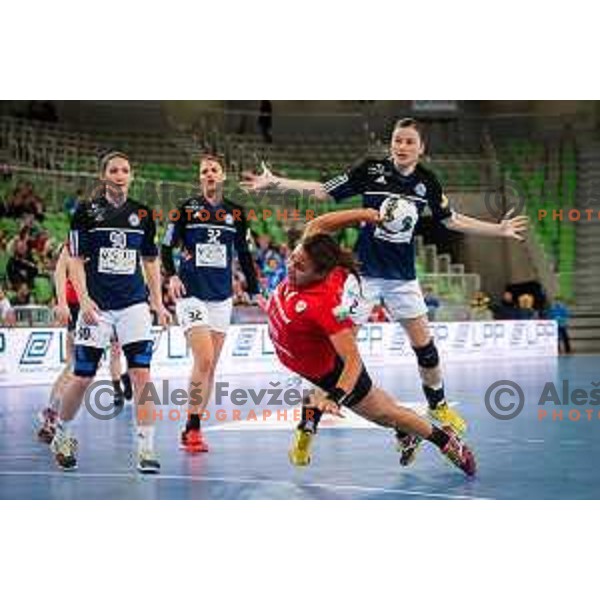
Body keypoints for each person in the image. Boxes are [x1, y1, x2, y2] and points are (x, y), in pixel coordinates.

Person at [243, 117, 528, 457]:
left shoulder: (427, 183)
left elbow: (451, 219)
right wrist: (275, 182)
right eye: (397, 140)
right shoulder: (371, 170)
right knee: (330, 350)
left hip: (403, 277)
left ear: (421, 148)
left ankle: (437, 406)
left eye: (409, 142)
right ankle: (309, 421)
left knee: (425, 347)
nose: (402, 147)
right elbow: (323, 190)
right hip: (364, 277)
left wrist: (498, 230)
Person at [265, 212, 476, 476]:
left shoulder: (324, 305)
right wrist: (365, 214)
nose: (290, 267)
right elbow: (316, 225)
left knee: (387, 414)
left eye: (299, 266)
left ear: (320, 274)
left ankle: (446, 441)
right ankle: (310, 429)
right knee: (313, 392)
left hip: (335, 373)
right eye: (292, 258)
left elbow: (352, 361)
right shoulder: (308, 254)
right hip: (311, 367)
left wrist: (336, 396)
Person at [51, 151, 171, 473]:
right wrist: (85, 301)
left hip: (133, 305)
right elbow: (74, 261)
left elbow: (150, 260)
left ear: (131, 175)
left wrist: (157, 302)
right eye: (114, 170)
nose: (120, 174)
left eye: (125, 170)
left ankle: (146, 448)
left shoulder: (143, 215)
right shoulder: (85, 212)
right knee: (83, 376)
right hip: (98, 308)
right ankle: (62, 433)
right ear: (104, 176)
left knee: (142, 374)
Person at [161, 154, 260, 453]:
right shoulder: (185, 210)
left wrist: (254, 289)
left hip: (221, 297)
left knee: (210, 366)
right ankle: (191, 427)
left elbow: (243, 253)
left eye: (214, 170)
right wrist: (171, 277)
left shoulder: (237, 213)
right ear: (199, 178)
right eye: (204, 171)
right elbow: (165, 248)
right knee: (203, 359)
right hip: (190, 292)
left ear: (223, 176)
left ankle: (195, 426)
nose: (210, 175)